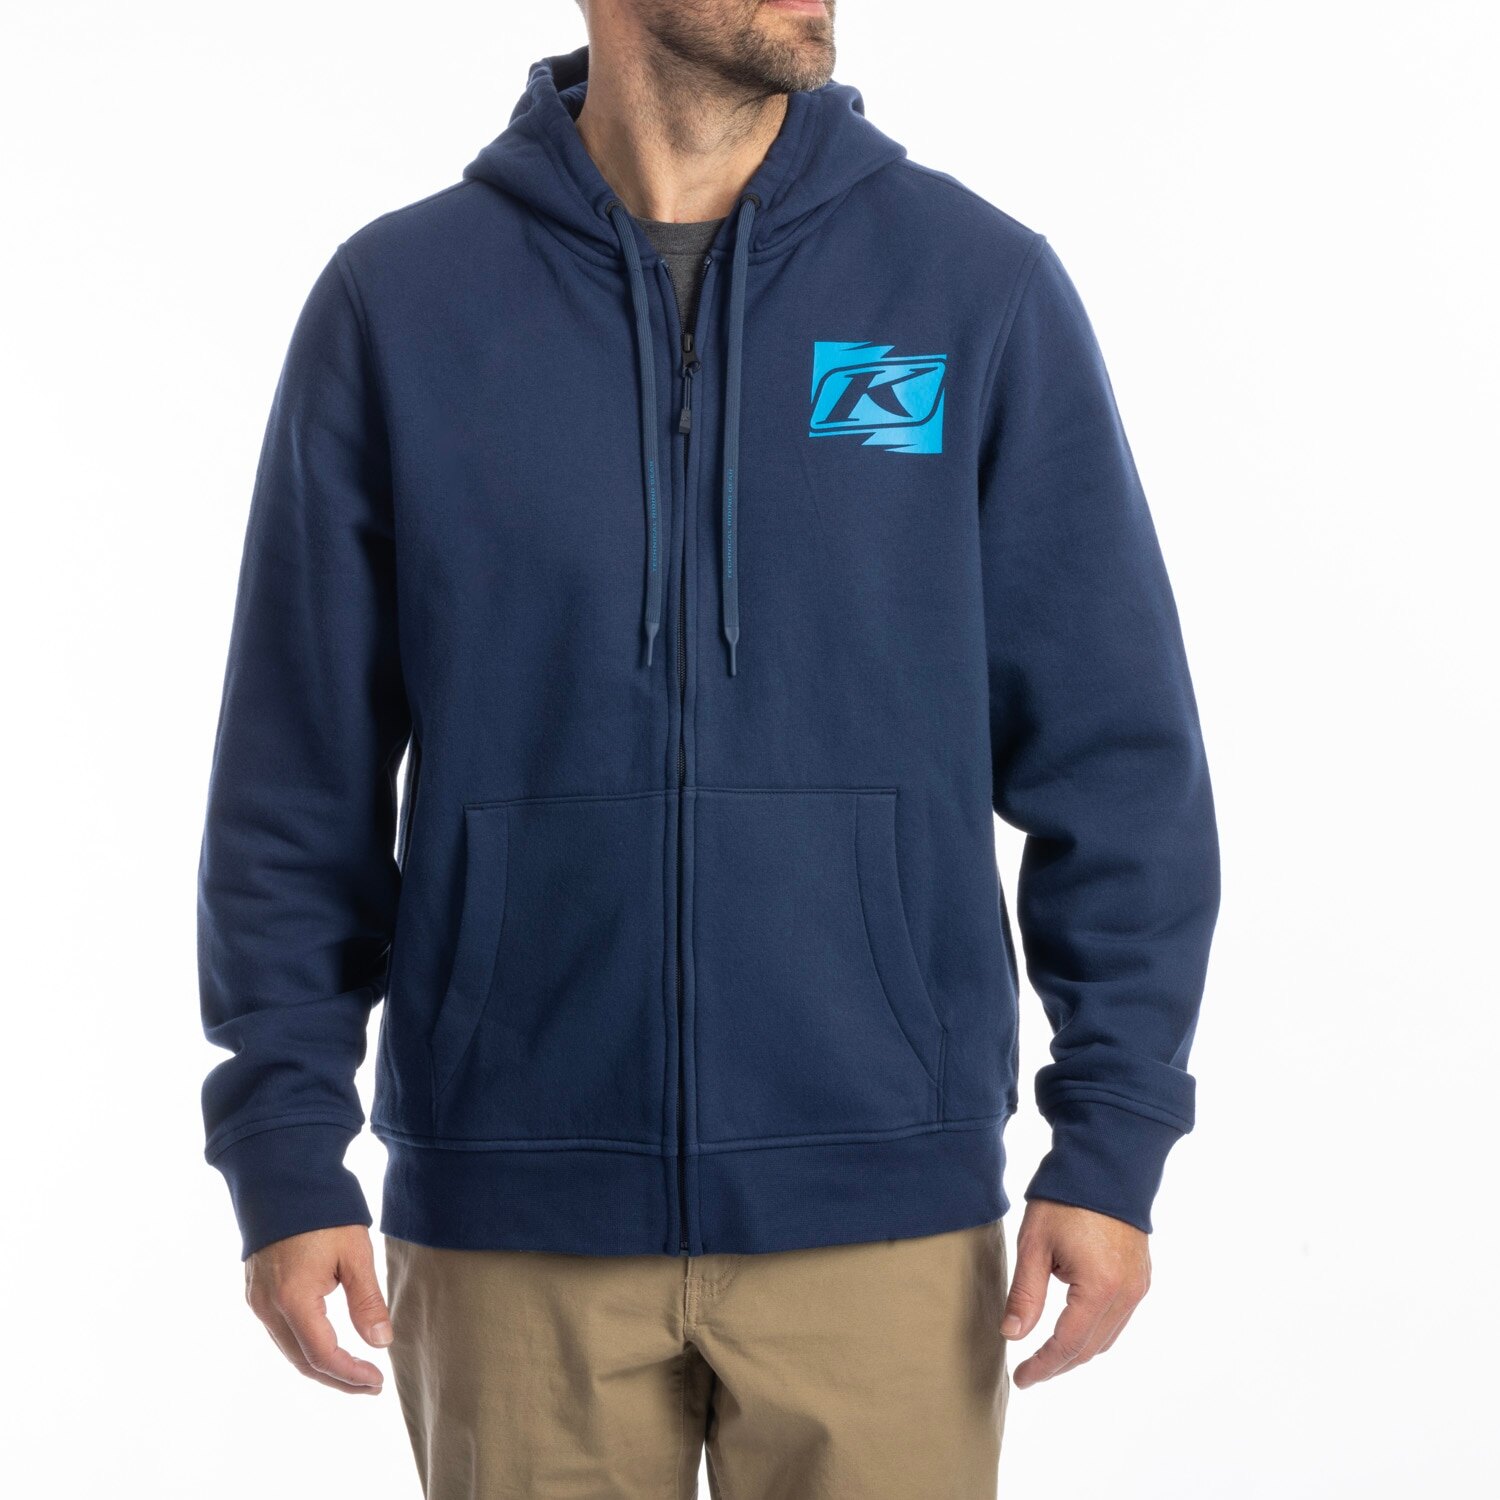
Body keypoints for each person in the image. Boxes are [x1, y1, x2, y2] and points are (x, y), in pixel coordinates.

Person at [198, 2, 1220, 1494]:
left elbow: (1120, 759)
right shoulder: (401, 305)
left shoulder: (967, 286)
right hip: (511, 1226)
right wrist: (285, 1144)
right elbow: (296, 777)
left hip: (884, 1209)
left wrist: (1115, 1133)